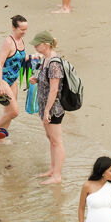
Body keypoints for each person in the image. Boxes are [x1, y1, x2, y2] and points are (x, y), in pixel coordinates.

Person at [28, 31, 66, 184]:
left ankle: (57, 175)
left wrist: (46, 111)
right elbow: (47, 81)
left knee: (56, 141)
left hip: (53, 109)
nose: (35, 47)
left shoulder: (54, 63)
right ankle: (52, 169)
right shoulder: (46, 59)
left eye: (37, 44)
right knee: (50, 138)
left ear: (46, 44)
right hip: (45, 106)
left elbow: (54, 89)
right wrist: (36, 79)